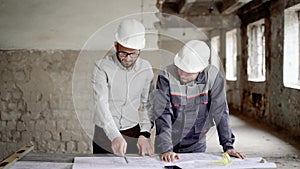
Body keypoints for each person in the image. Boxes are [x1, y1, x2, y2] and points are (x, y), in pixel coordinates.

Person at [152, 40, 246, 162]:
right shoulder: (166, 76)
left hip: (196, 143)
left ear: (201, 69)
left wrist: (228, 145)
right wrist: (166, 148)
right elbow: (163, 113)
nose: (182, 74)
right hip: (167, 142)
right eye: (180, 68)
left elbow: (220, 112)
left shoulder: (213, 77)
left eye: (188, 71)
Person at [92, 19, 154, 157]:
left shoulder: (146, 68)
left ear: (139, 50)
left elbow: (147, 104)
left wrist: (145, 134)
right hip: (105, 132)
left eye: (133, 54)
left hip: (133, 132)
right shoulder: (101, 67)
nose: (128, 59)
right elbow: (101, 103)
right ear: (116, 46)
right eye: (123, 53)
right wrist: (114, 135)